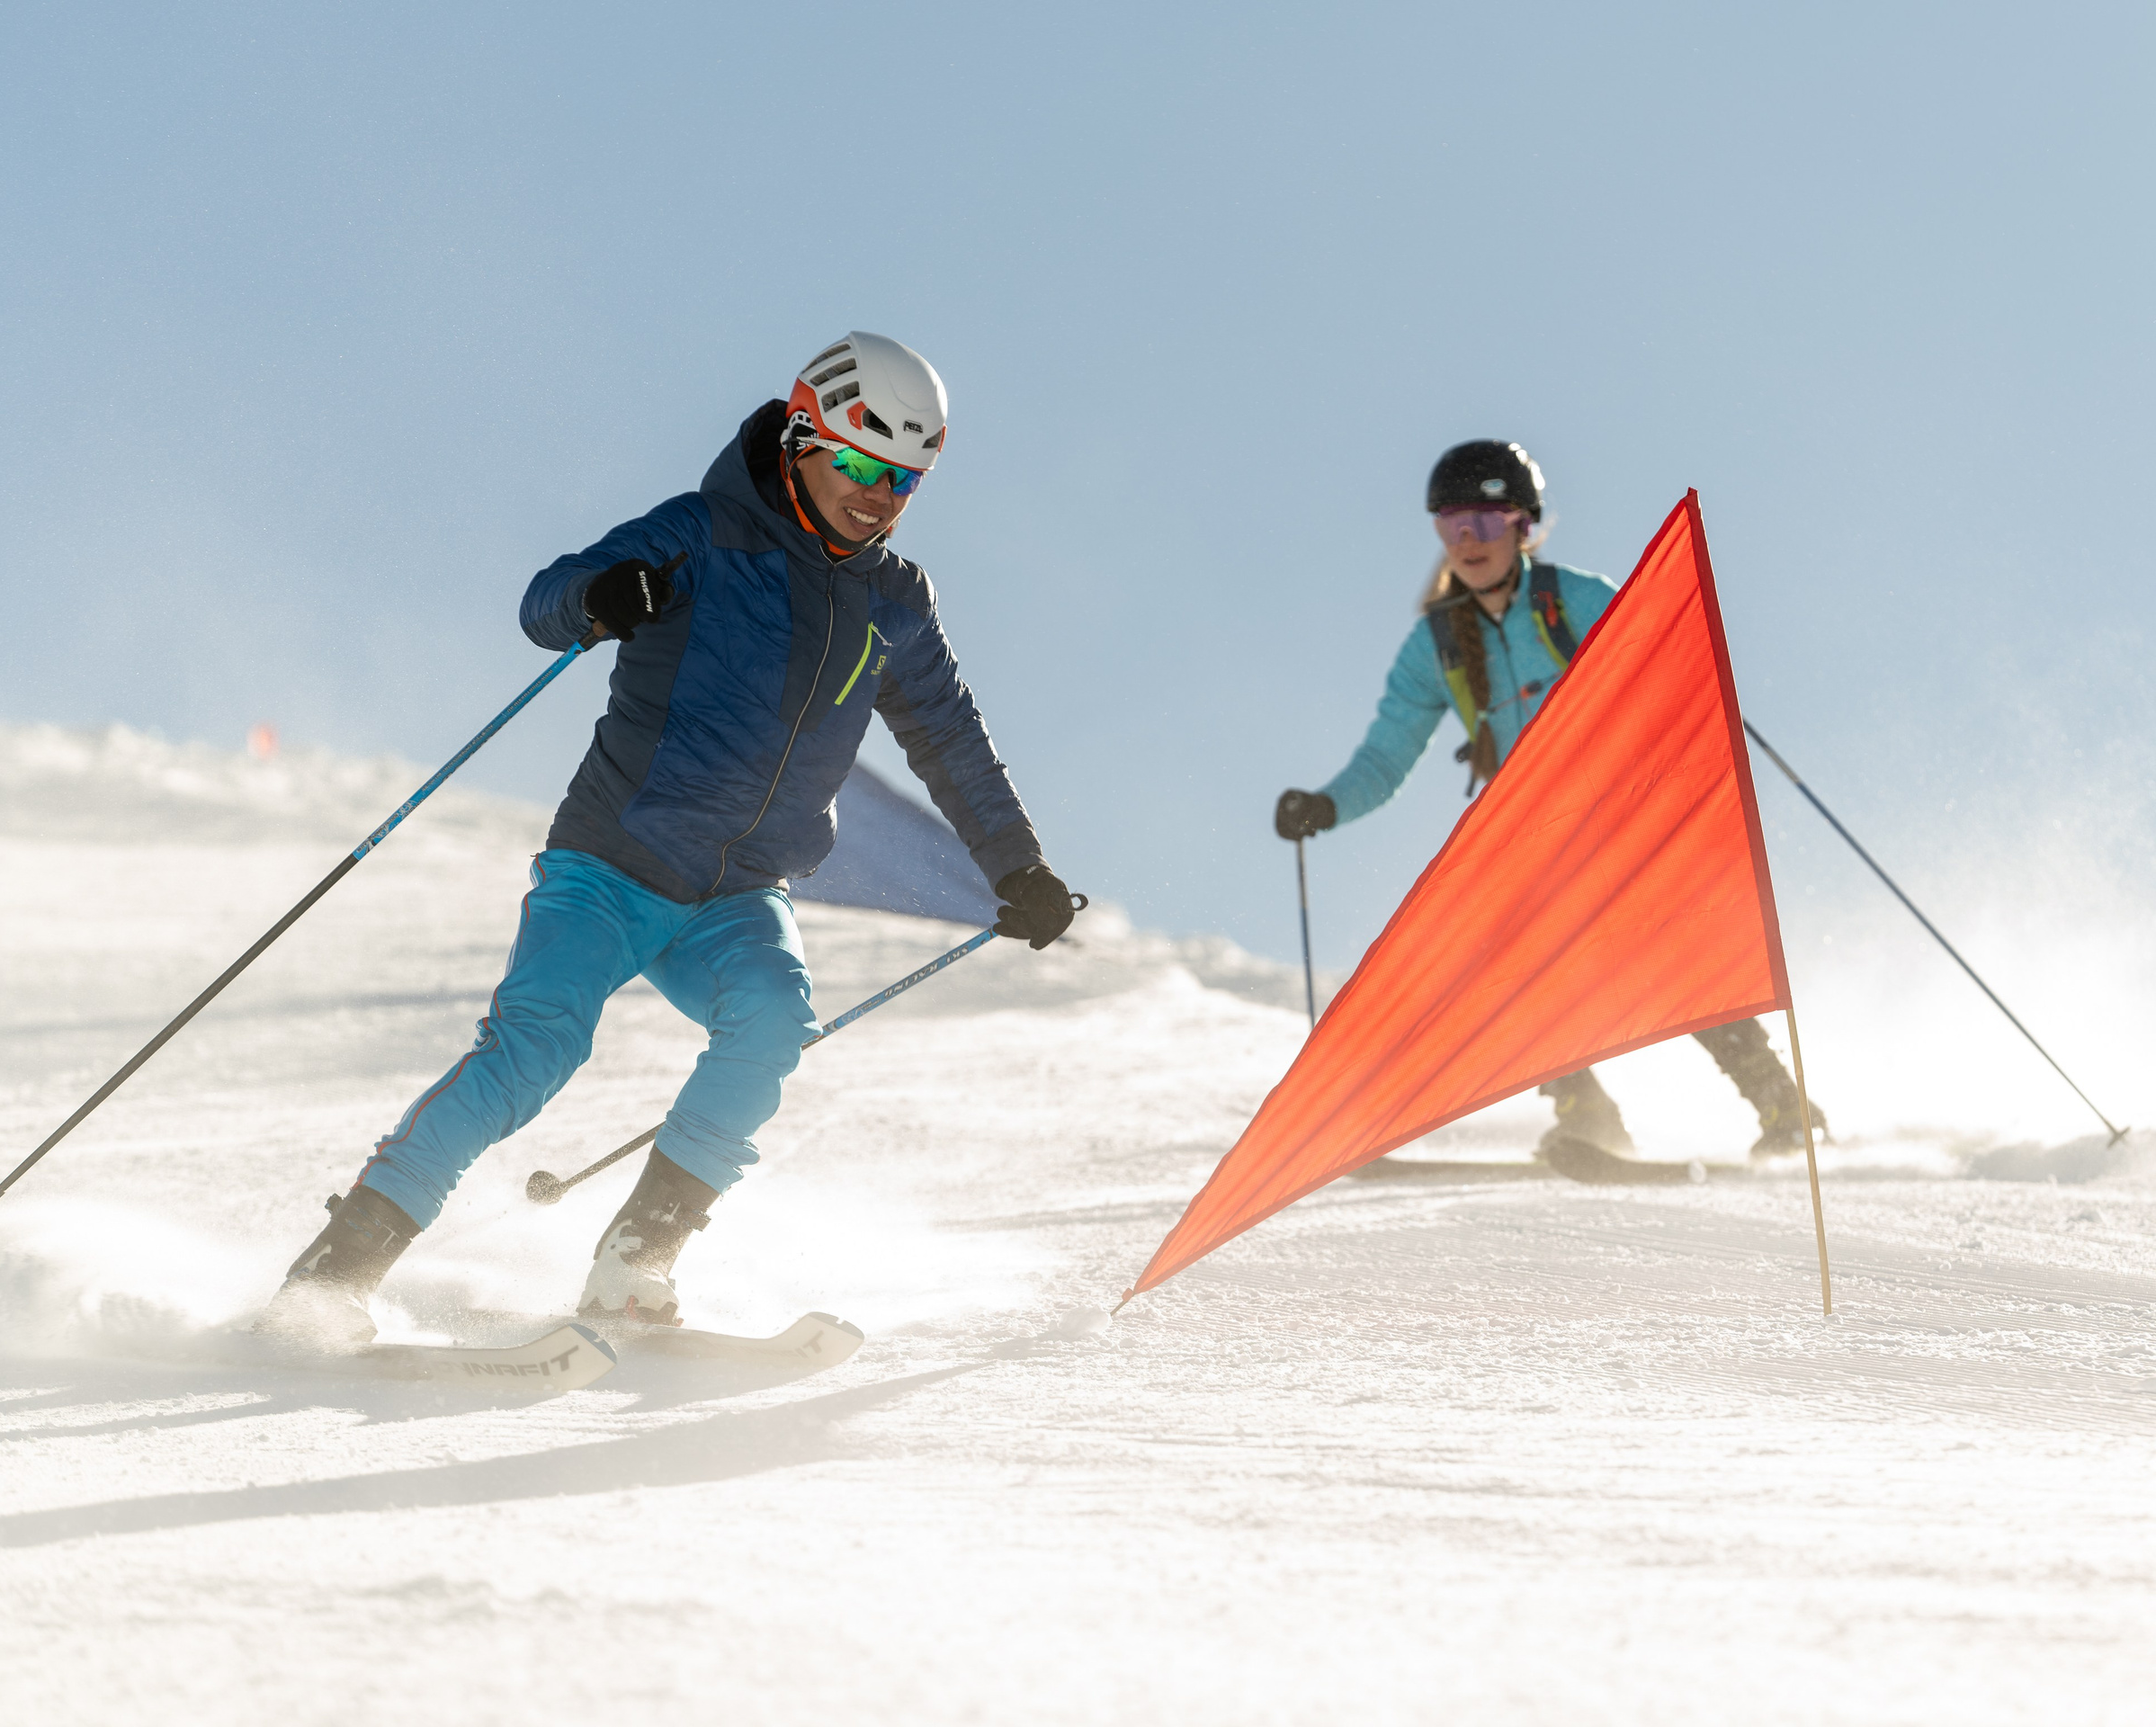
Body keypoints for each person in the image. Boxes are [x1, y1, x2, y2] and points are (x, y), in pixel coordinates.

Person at [264, 332, 1081, 1346]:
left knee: (772, 1028)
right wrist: (599, 599)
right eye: (864, 466)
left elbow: (953, 743)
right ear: (800, 435)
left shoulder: (892, 603)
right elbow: (547, 601)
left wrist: (1019, 865)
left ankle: (635, 1262)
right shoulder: (703, 534)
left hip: (739, 895)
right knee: (532, 1054)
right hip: (611, 865)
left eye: (905, 481)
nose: (881, 496)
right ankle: (337, 1272)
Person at [1274, 439, 1823, 1165]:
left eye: (1486, 522)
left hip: (1619, 819)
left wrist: (1703, 703)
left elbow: (1662, 670)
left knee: (1668, 957)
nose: (1467, 541)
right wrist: (1326, 807)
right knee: (1501, 963)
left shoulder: (1576, 602)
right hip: (1534, 838)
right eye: (1451, 525)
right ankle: (1588, 1118)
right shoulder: (1436, 647)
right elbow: (1386, 757)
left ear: (1524, 526)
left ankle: (1785, 1112)